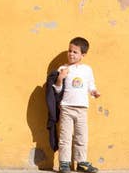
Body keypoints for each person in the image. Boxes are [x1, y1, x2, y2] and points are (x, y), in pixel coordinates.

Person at [53, 37, 101, 173]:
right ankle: (64, 163)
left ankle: (81, 162)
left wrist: (94, 92)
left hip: (82, 109)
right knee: (65, 137)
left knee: (81, 137)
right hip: (67, 108)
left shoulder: (87, 70)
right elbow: (57, 90)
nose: (71, 54)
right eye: (69, 51)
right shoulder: (63, 68)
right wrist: (60, 78)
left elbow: (91, 86)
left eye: (75, 52)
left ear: (83, 55)